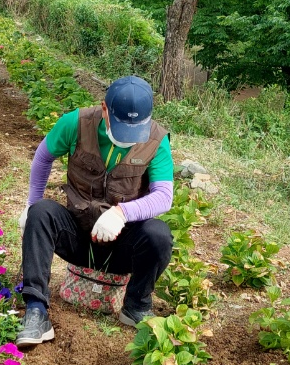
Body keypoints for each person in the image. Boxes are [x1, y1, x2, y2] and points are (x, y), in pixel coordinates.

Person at [16, 75, 174, 345]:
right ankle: (36, 311)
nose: (129, 138)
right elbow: (43, 157)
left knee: (158, 234)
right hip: (77, 235)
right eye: (123, 127)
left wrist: (121, 213)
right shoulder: (76, 124)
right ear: (104, 110)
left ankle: (136, 306)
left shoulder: (157, 140)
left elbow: (163, 196)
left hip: (121, 245)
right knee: (41, 213)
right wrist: (31, 202)